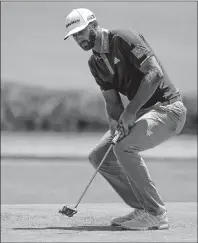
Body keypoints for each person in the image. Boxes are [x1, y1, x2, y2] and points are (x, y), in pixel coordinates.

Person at [64, 8, 187, 230]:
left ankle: (156, 213)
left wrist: (129, 112)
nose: (78, 38)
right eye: (74, 35)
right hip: (142, 112)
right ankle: (141, 207)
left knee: (124, 147)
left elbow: (154, 74)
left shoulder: (122, 38)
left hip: (168, 109)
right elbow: (111, 101)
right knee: (100, 155)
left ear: (93, 26)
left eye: (81, 32)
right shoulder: (95, 63)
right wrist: (114, 122)